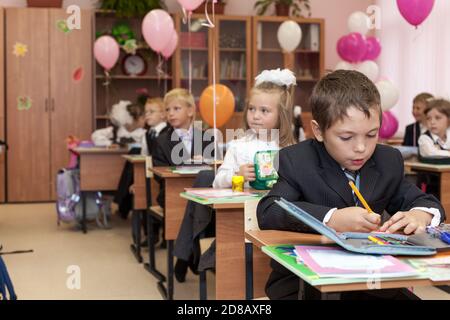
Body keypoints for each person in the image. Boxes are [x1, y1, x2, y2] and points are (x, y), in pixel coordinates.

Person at [257, 70, 445, 300]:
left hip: (373, 282)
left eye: (371, 134)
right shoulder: (297, 160)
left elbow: (425, 202)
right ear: (318, 130)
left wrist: (420, 215)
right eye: (346, 137)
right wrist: (331, 219)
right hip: (306, 284)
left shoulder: (387, 160)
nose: (361, 148)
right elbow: (269, 209)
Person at [174, 68, 298, 282]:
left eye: (264, 111)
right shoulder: (239, 146)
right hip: (237, 216)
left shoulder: (289, 148)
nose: (256, 115)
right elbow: (217, 180)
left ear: (282, 115)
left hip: (271, 216)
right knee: (232, 244)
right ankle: (212, 255)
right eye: (252, 109)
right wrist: (236, 175)